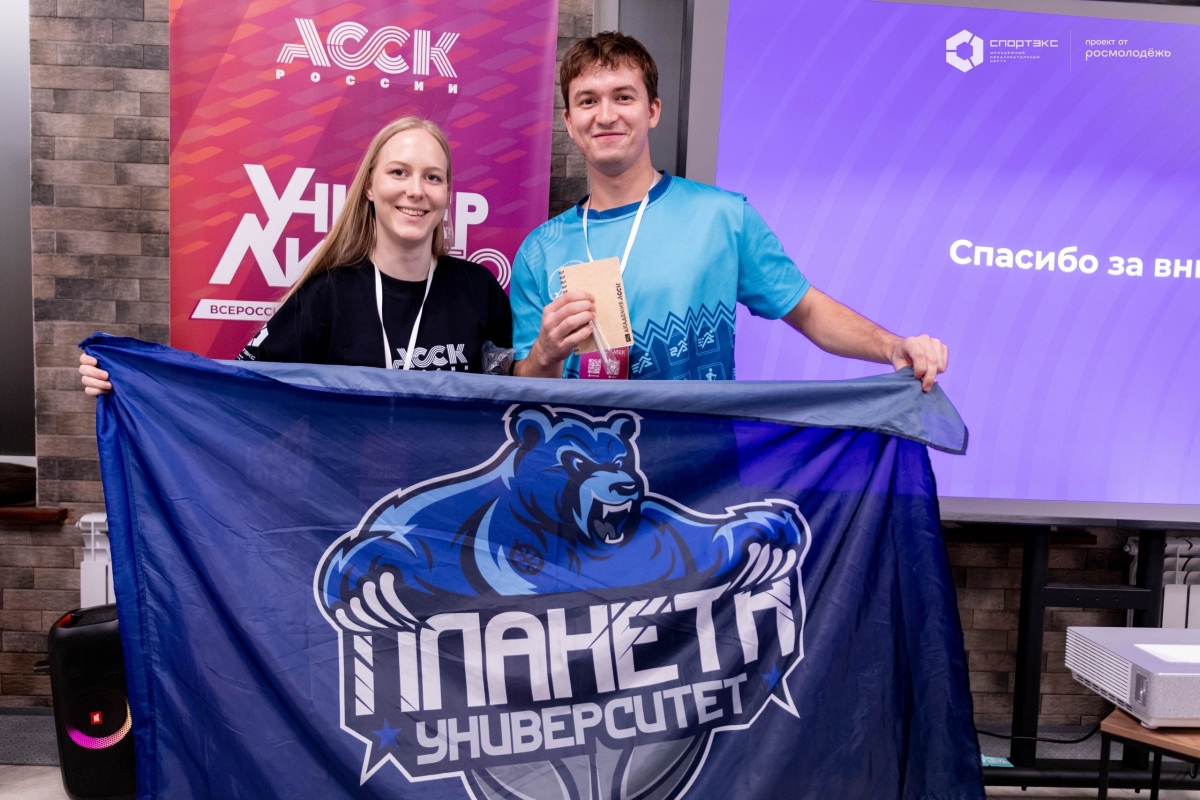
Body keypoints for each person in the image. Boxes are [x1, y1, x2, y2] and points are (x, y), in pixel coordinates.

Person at [511, 33, 948, 388]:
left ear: (653, 110)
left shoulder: (723, 218)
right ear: (569, 122)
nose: (605, 115)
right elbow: (523, 395)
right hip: (584, 463)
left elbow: (809, 311)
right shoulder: (539, 250)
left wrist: (892, 346)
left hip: (701, 465)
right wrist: (544, 354)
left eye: (623, 97)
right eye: (588, 101)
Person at [80, 117, 512, 395]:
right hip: (344, 505)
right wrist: (132, 379)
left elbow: (506, 401)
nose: (415, 190)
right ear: (369, 186)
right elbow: (236, 388)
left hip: (453, 503)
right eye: (398, 172)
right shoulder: (328, 294)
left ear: (447, 193)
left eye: (432, 177)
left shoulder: (480, 291)